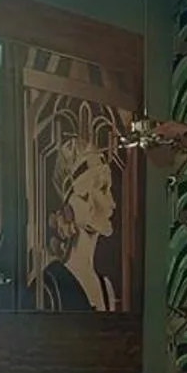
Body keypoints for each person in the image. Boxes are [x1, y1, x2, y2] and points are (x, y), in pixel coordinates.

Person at [33, 133, 119, 311]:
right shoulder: (49, 285)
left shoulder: (106, 287)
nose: (113, 202)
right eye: (103, 189)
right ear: (79, 200)